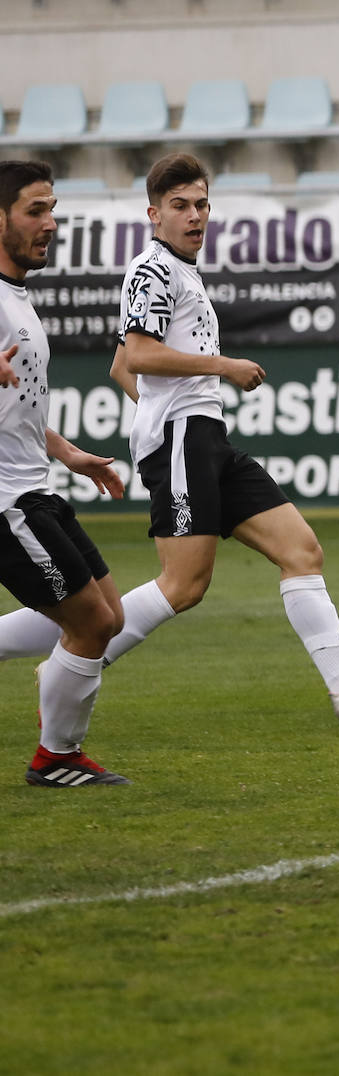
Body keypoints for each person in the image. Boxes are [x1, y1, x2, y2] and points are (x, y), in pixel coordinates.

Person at [0, 152, 339, 725]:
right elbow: (142, 354)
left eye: (202, 205)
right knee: (183, 583)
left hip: (204, 436)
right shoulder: (150, 269)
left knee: (301, 551)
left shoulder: (181, 272)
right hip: (182, 439)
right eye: (180, 206)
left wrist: (161, 405)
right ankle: (72, 663)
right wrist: (214, 373)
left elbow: (124, 367)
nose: (195, 216)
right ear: (154, 214)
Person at [0, 160, 129, 786]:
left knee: (110, 614)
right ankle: (56, 758)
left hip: (35, 488)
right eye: (34, 211)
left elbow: (16, 407)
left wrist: (69, 453)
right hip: (6, 502)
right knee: (93, 622)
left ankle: (59, 753)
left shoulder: (16, 297)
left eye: (52, 209)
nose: (49, 224)